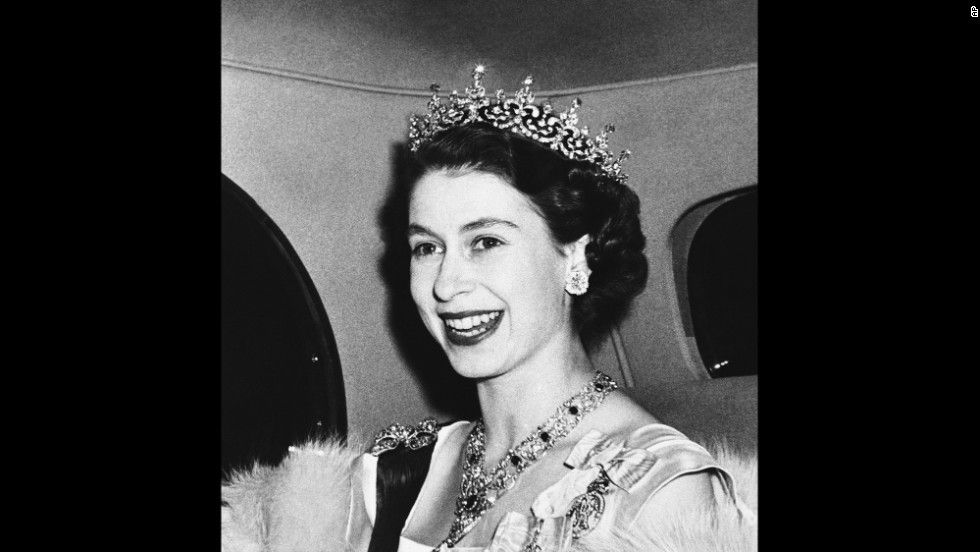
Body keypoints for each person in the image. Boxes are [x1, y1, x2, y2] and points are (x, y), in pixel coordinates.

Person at [221, 67, 756, 552]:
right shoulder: (394, 472)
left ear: (574, 257)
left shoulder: (659, 494)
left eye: (486, 242)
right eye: (427, 248)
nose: (447, 286)